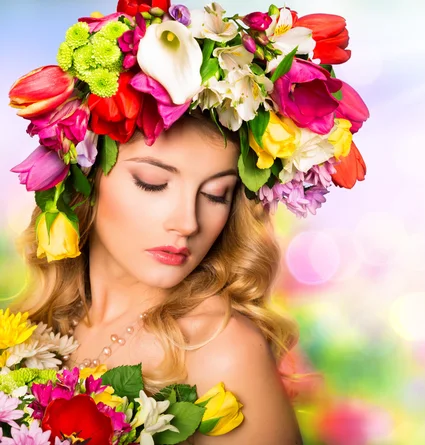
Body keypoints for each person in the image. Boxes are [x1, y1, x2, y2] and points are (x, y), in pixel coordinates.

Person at [6, 1, 369, 443]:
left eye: (217, 194)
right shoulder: (30, 326)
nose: (187, 223)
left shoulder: (221, 349)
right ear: (85, 176)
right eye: (153, 183)